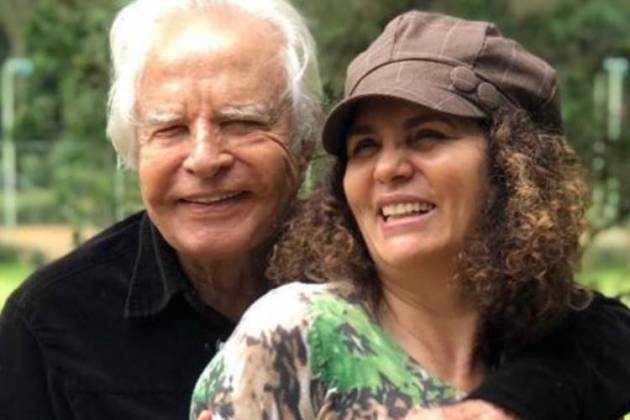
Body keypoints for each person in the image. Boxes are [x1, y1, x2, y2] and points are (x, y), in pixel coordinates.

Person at [0, 1, 627, 419]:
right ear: (134, 152)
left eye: (241, 122)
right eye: (168, 130)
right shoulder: (50, 324)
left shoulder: (387, 262)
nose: (205, 158)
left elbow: (602, 331)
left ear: (306, 145)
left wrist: (510, 400)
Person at [190, 10, 630, 420]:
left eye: (427, 136)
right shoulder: (297, 335)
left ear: (513, 165)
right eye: (365, 146)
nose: (388, 168)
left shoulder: (557, 353)